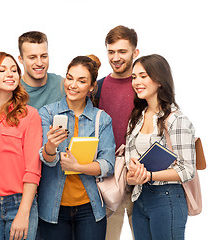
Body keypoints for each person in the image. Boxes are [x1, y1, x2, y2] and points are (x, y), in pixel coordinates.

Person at [37, 55, 116, 240]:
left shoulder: (101, 119)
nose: (73, 85)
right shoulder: (47, 113)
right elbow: (45, 160)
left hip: (90, 208)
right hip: (53, 208)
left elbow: (107, 165)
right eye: (70, 78)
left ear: (91, 86)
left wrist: (77, 167)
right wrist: (50, 146)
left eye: (81, 81)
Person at [0, 52, 42, 240]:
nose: (10, 74)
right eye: (2, 70)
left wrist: (23, 212)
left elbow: (33, 169)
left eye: (14, 70)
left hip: (19, 203)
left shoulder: (30, 115)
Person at [126, 54, 195, 240]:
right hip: (140, 198)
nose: (136, 82)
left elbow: (188, 169)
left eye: (143, 76)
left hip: (167, 198)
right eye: (134, 77)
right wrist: (133, 176)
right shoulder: (136, 118)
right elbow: (129, 164)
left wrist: (149, 175)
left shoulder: (176, 119)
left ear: (159, 81)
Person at [94, 25, 139, 240]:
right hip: (109, 179)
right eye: (111, 52)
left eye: (122, 51)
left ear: (135, 53)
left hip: (140, 178)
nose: (116, 57)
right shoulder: (99, 88)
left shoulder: (143, 86)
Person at [18, 31, 65, 110]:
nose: (39, 63)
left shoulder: (62, 85)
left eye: (44, 56)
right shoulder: (13, 89)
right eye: (32, 57)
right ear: (21, 59)